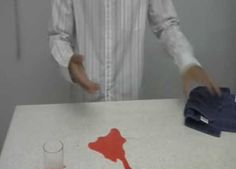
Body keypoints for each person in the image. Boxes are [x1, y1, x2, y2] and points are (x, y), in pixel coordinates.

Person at [49, 0, 220, 102]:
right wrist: (68, 61)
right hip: (84, 104)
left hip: (129, 103)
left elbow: (166, 25)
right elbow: (58, 35)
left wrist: (186, 59)